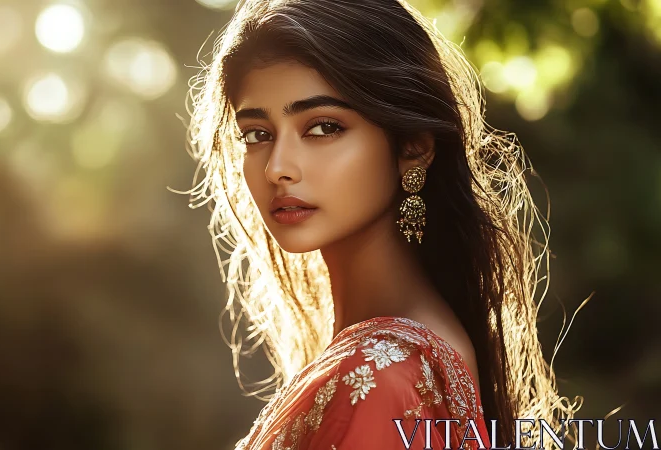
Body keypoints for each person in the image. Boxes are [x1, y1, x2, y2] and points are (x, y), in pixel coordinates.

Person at [182, 0, 583, 449]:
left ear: (413, 147)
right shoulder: (399, 357)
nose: (277, 167)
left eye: (323, 127)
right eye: (257, 134)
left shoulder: (376, 378)